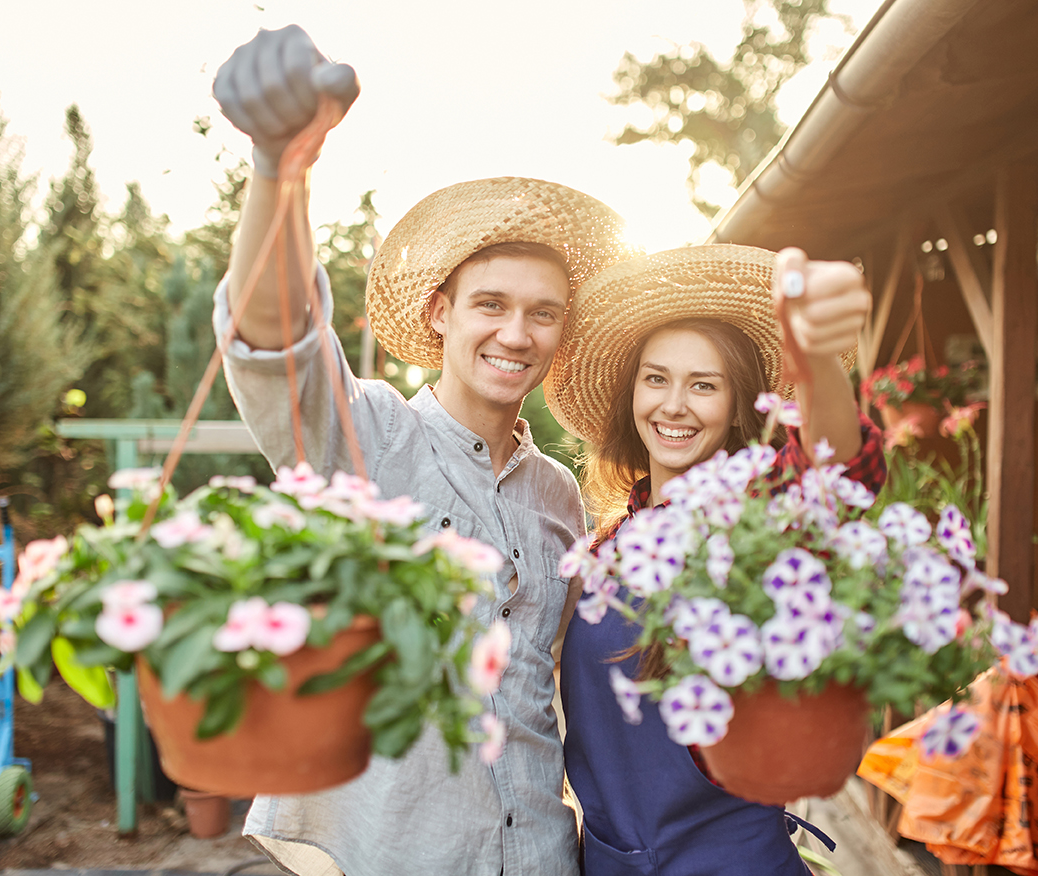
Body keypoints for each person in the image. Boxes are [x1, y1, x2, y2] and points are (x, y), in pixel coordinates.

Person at [210, 25, 640, 876]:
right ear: (440, 313)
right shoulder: (361, 439)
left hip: (541, 851)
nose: (515, 334)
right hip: (387, 856)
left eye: (543, 312)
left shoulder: (558, 495)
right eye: (490, 303)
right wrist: (278, 171)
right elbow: (277, 340)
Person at [543, 244, 887, 875]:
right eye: (656, 378)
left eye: (704, 385)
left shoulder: (758, 528)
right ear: (632, 393)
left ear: (736, 408)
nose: (673, 405)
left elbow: (842, 467)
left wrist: (812, 358)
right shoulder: (608, 543)